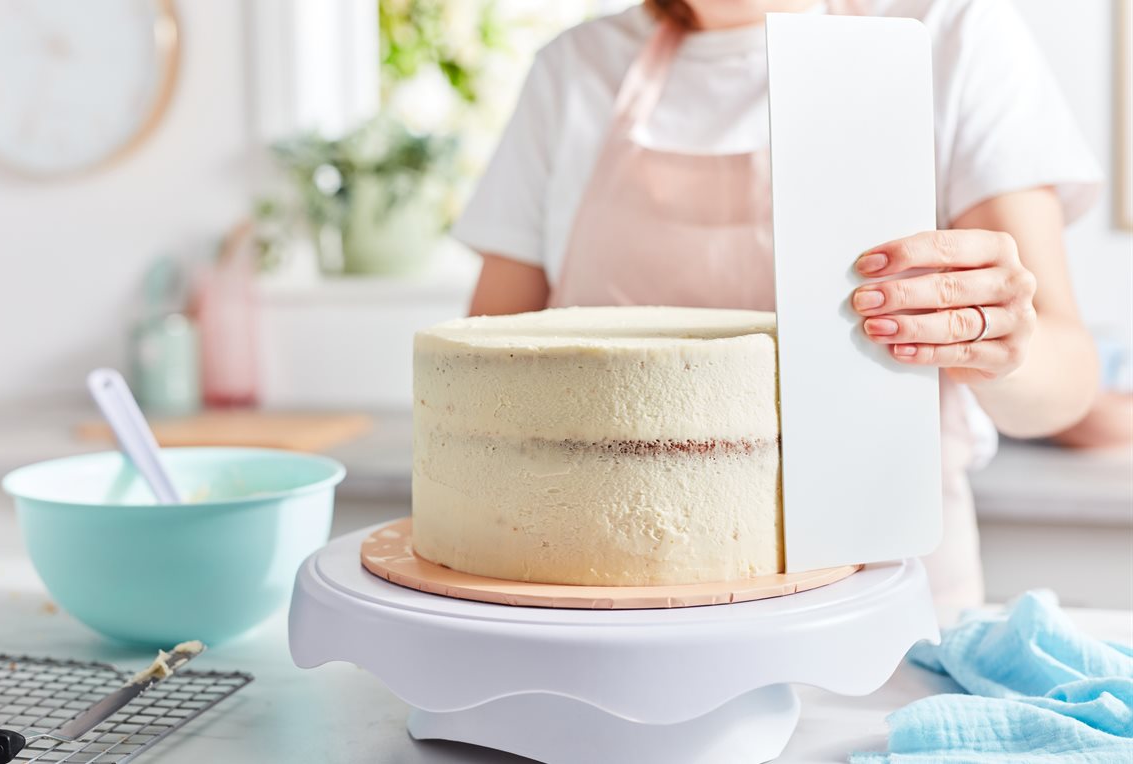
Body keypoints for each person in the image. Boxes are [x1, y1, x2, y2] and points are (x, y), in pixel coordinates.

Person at [451, 0, 1104, 609]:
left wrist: (995, 340)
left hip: (882, 609)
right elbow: (478, 391)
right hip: (609, 604)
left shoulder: (947, 34)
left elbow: (1066, 377)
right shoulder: (575, 70)